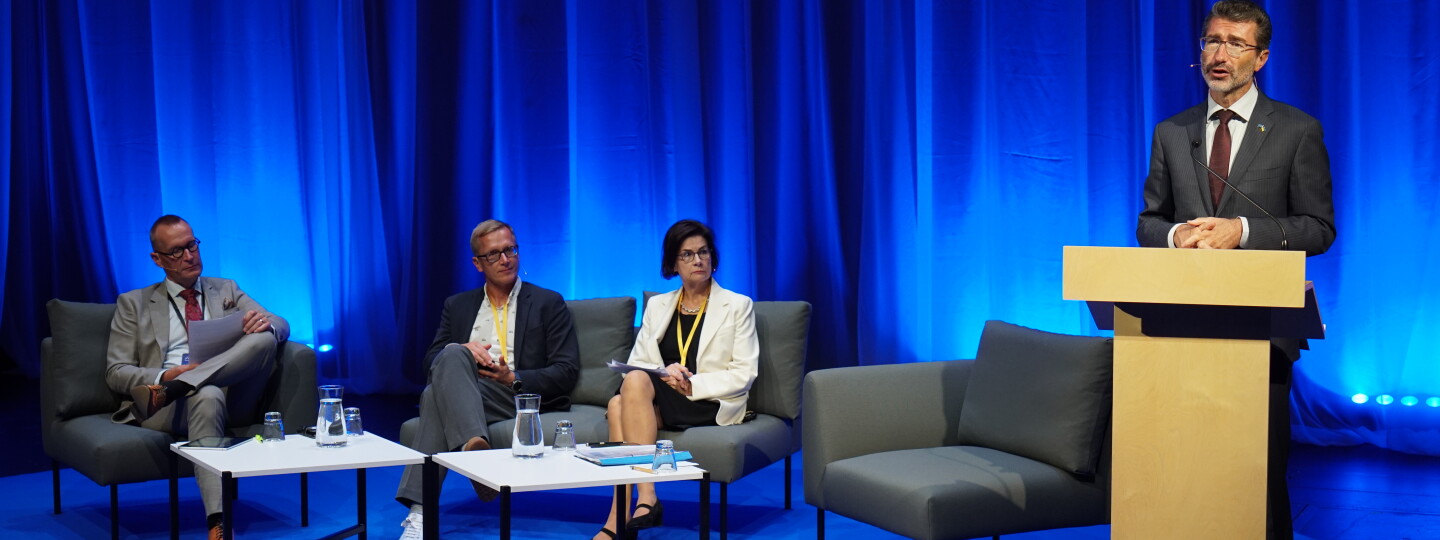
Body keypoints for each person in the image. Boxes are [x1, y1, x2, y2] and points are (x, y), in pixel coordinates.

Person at [1135, 2, 1336, 538]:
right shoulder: (1172, 133)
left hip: (1262, 332)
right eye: (1211, 41)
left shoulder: (1297, 130)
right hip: (1178, 327)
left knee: (1257, 476)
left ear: (1261, 57)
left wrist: (1241, 232)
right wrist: (1178, 235)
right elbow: (1149, 222)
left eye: (1235, 44)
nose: (1219, 54)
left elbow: (1318, 228)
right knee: (1180, 471)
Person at [394, 219, 580, 539]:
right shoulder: (458, 306)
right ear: (478, 264)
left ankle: (421, 512)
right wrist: (461, 349)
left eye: (510, 250)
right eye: (493, 255)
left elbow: (566, 370)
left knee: (432, 397)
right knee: (452, 354)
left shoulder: (549, 302)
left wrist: (513, 377)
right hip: (468, 390)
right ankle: (473, 450)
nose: (505, 259)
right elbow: (429, 363)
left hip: (517, 395)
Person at [105, 215, 288, 540]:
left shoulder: (226, 289)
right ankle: (218, 522)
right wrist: (166, 374)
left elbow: (281, 323)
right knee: (207, 393)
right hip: (164, 408)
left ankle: (176, 388)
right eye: (177, 251)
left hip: (226, 395)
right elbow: (116, 373)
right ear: (157, 259)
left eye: (192, 245)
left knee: (265, 336)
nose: (189, 256)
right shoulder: (133, 304)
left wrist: (267, 325)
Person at [593, 219, 759, 540]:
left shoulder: (738, 306)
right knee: (624, 395)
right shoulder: (658, 305)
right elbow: (640, 361)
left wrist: (693, 384)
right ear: (672, 263)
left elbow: (744, 373)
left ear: (712, 257)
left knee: (619, 403)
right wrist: (668, 374)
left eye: (703, 252)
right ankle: (637, 506)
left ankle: (630, 511)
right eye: (687, 255)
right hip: (664, 395)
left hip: (709, 402)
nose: (698, 260)